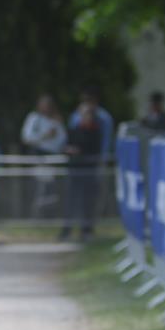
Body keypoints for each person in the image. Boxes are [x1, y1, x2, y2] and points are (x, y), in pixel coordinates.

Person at [60, 103, 103, 241]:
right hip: (74, 171)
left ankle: (87, 230)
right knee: (70, 202)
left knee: (87, 202)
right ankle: (66, 230)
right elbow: (65, 146)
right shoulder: (73, 130)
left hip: (88, 171)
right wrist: (69, 150)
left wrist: (80, 151)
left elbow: (94, 149)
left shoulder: (96, 131)